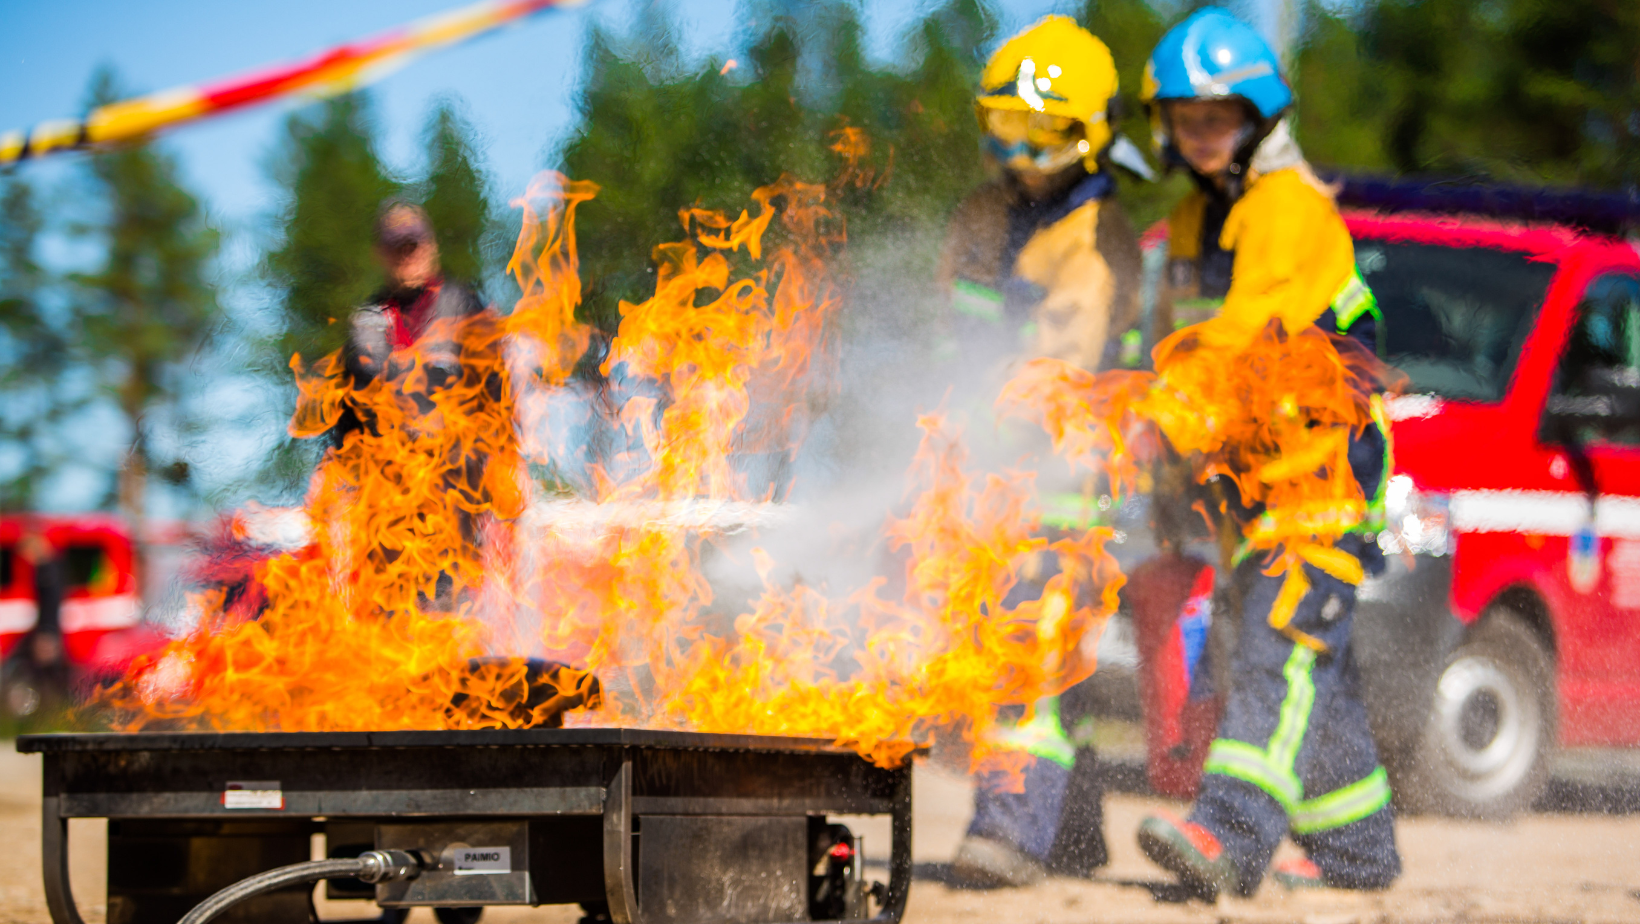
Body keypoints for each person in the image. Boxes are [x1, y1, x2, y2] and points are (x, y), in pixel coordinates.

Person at [1130, 8, 1399, 898]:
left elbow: (1246, 337)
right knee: (1314, 662)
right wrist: (1170, 475)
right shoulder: (1190, 223)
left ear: (1257, 119)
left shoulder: (1285, 209)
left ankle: (1230, 835)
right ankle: (1359, 848)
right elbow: (1176, 346)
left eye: (1218, 118)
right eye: (1186, 119)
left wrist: (1166, 417)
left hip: (1319, 470)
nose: (1201, 135)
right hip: (1252, 478)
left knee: (1278, 646)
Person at [936, 15, 1145, 888]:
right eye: (1008, 130)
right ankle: (1075, 833)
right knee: (1058, 665)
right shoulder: (994, 215)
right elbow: (947, 326)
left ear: (1090, 136)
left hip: (1064, 482)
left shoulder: (1099, 242)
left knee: (1030, 644)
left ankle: (1012, 832)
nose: (1019, 154)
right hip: (994, 475)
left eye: (1043, 135)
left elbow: (1055, 376)